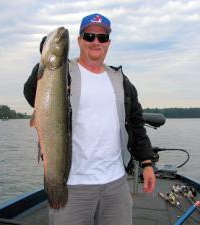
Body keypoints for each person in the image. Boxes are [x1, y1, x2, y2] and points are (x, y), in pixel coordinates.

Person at [23, 13, 156, 225]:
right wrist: (43, 62)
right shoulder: (61, 72)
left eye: (102, 38)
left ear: (108, 43)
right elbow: (32, 95)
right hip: (72, 184)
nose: (96, 42)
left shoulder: (121, 80)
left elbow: (136, 124)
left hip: (116, 183)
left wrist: (147, 162)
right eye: (90, 36)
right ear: (79, 40)